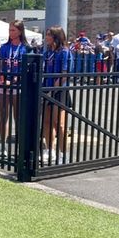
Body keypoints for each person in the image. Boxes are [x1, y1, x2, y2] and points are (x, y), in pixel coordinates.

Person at [0, 20, 28, 155]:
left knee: (18, 117)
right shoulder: (4, 48)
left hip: (18, 87)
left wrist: (14, 80)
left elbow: (25, 69)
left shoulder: (26, 48)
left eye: (13, 30)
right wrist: (1, 77)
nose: (10, 32)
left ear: (20, 31)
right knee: (3, 116)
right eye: (9, 30)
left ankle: (20, 146)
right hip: (3, 86)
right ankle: (3, 145)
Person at [41, 26, 71, 165]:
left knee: (59, 124)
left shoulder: (64, 52)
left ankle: (63, 153)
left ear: (56, 37)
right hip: (47, 89)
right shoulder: (47, 53)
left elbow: (64, 74)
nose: (46, 37)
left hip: (59, 91)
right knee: (46, 122)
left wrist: (54, 89)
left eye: (49, 35)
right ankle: (49, 149)